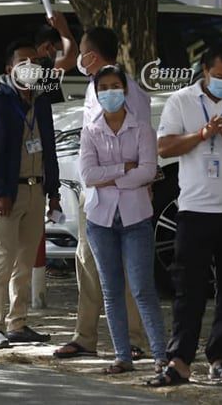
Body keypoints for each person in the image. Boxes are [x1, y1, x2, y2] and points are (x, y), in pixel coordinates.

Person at [149, 41, 222, 387]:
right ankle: (180, 360)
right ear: (205, 72)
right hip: (195, 209)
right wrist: (202, 134)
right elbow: (165, 147)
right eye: (220, 76)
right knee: (189, 289)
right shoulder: (181, 101)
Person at [54, 26, 148, 362]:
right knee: (87, 264)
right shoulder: (97, 88)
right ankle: (85, 336)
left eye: (81, 50)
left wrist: (111, 173)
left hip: (124, 195)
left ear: (91, 55)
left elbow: (136, 153)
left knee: (126, 270)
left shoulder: (128, 92)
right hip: (93, 195)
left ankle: (135, 340)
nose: (79, 59)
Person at [79, 65, 167, 375]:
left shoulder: (142, 129)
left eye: (115, 86)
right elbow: (88, 176)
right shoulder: (90, 130)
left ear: (125, 90)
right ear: (96, 91)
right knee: (111, 290)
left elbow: (148, 172)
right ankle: (122, 357)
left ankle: (160, 355)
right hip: (100, 220)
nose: (109, 92)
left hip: (136, 218)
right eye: (103, 87)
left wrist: (113, 176)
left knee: (142, 288)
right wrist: (122, 169)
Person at [0, 40, 61, 349]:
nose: (30, 66)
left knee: (26, 261)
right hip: (7, 194)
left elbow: (49, 148)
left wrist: (52, 191)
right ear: (9, 69)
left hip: (36, 188)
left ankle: (18, 322)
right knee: (4, 257)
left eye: (34, 61)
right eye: (23, 61)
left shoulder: (40, 102)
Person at [33, 11, 79, 104]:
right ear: (48, 46)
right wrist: (63, 28)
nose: (60, 55)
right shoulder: (42, 66)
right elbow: (71, 58)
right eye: (60, 50)